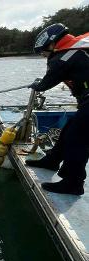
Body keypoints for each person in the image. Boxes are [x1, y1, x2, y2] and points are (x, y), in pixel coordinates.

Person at [26, 23, 89, 195]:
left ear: (52, 44)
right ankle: (51, 161)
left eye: (43, 52)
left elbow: (45, 83)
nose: (44, 55)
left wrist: (37, 85)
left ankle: (73, 184)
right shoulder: (79, 47)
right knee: (70, 128)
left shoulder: (63, 58)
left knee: (77, 139)